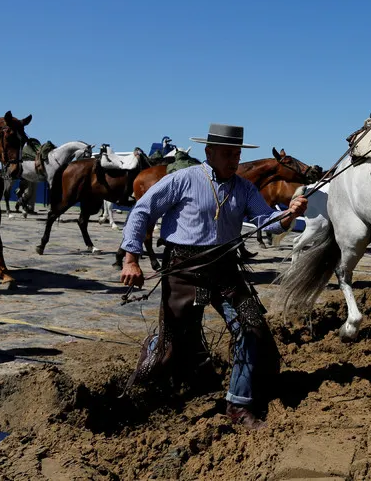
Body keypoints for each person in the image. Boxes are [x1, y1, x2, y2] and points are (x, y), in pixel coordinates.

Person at [119, 123, 308, 429]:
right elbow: (142, 211)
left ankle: (238, 403)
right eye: (227, 153)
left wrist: (289, 215)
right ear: (210, 152)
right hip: (185, 273)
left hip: (224, 272)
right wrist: (131, 258)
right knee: (172, 343)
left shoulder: (244, 189)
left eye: (237, 153)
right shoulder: (183, 180)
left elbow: (266, 221)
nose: (234, 159)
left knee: (251, 326)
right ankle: (134, 394)